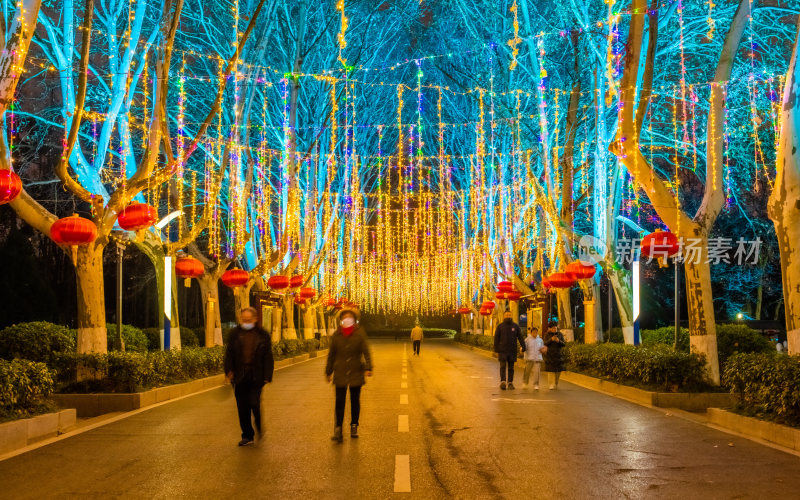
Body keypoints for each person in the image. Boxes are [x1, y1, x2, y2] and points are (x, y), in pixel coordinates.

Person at [224, 307, 275, 447]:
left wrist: (267, 375)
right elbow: (229, 354)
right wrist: (228, 371)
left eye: (248, 320)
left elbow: (268, 356)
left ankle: (258, 425)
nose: (246, 322)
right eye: (243, 319)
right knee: (242, 407)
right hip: (240, 376)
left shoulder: (262, 335)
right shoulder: (234, 334)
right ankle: (247, 435)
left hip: (256, 376)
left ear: (255, 319)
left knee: (254, 403)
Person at [326, 308, 373, 442]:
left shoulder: (360, 334)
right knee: (339, 402)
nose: (347, 319)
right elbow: (331, 355)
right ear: (341, 320)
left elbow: (366, 352)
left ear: (354, 319)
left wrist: (368, 367)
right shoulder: (336, 335)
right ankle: (338, 428)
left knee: (354, 401)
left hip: (356, 371)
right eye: (345, 317)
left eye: (349, 317)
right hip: (340, 371)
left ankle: (354, 425)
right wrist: (328, 371)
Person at [494, 309, 525, 390]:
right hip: (502, 350)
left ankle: (510, 382)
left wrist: (523, 346)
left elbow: (520, 337)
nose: (508, 316)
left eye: (509, 315)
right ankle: (503, 382)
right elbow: (496, 338)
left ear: (511, 315)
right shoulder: (500, 326)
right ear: (504, 316)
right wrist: (496, 350)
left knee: (511, 368)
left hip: (512, 350)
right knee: (503, 367)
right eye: (506, 315)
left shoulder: (515, 326)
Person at [543, 320, 566, 390]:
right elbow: (545, 343)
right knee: (551, 371)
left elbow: (564, 344)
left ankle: (556, 383)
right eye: (552, 328)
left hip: (558, 355)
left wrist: (559, 341)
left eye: (555, 328)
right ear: (550, 328)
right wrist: (551, 339)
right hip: (550, 355)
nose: (554, 329)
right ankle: (551, 384)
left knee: (558, 371)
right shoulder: (547, 334)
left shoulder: (560, 334)